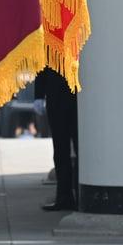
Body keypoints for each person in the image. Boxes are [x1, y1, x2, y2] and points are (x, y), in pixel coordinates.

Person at [37, 68, 77, 211]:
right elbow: (42, 63)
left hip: (74, 93)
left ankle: (73, 195)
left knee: (72, 149)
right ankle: (64, 196)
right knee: (60, 150)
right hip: (57, 94)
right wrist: (39, 94)